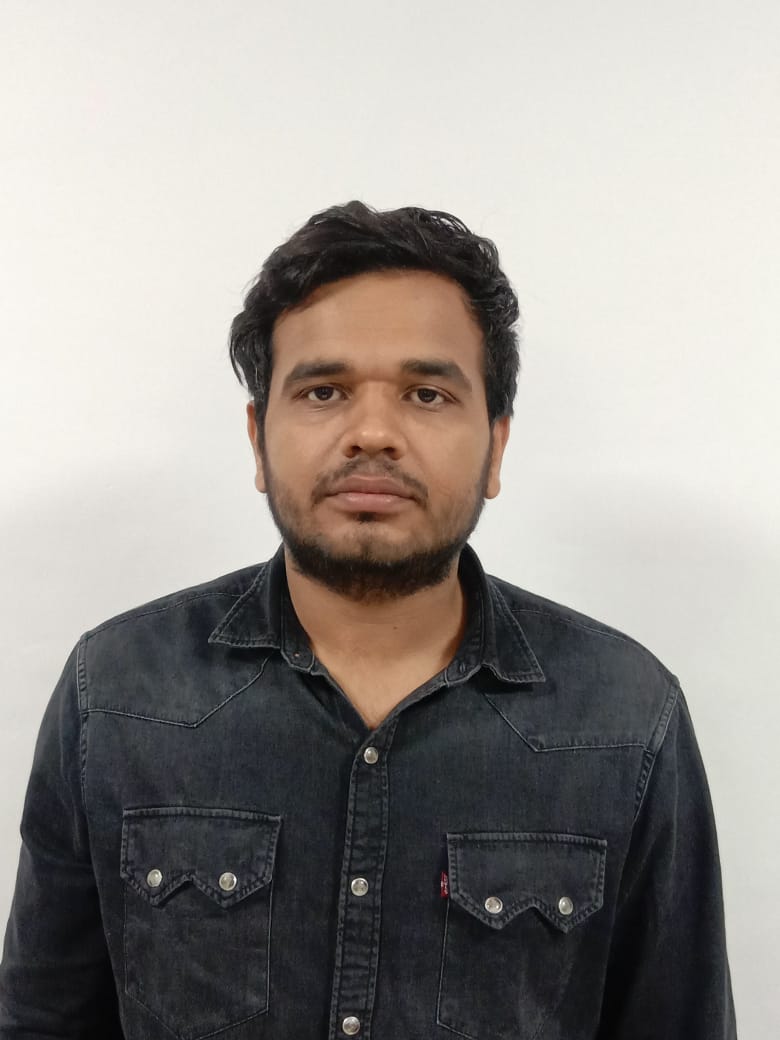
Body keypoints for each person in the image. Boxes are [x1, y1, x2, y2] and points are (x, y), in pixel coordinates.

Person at [0, 200, 736, 1039]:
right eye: (324, 391)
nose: (374, 433)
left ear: (496, 446)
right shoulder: (115, 693)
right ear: (257, 438)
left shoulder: (625, 716)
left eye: (427, 393)